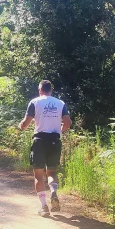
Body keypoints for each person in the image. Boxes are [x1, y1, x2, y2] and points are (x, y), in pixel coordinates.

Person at [18, 80, 72, 217]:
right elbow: (68, 122)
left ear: (40, 90)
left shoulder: (35, 102)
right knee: (52, 172)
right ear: (51, 90)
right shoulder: (60, 103)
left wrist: (21, 126)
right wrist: (60, 130)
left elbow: (26, 122)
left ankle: (44, 207)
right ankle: (53, 192)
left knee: (38, 175)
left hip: (40, 141)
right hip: (55, 140)